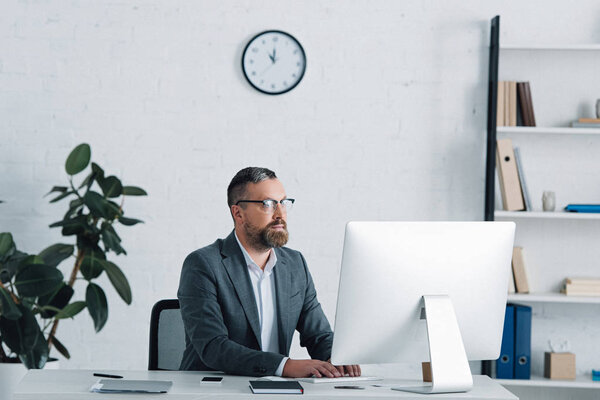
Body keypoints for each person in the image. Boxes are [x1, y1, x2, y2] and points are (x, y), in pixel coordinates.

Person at [178, 167, 360, 378]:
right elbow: (213, 347)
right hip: (214, 389)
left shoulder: (294, 264)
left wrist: (336, 359)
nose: (280, 214)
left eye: (283, 203)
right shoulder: (203, 264)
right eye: (268, 204)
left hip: (276, 391)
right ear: (238, 213)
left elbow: (319, 335)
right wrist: (285, 366)